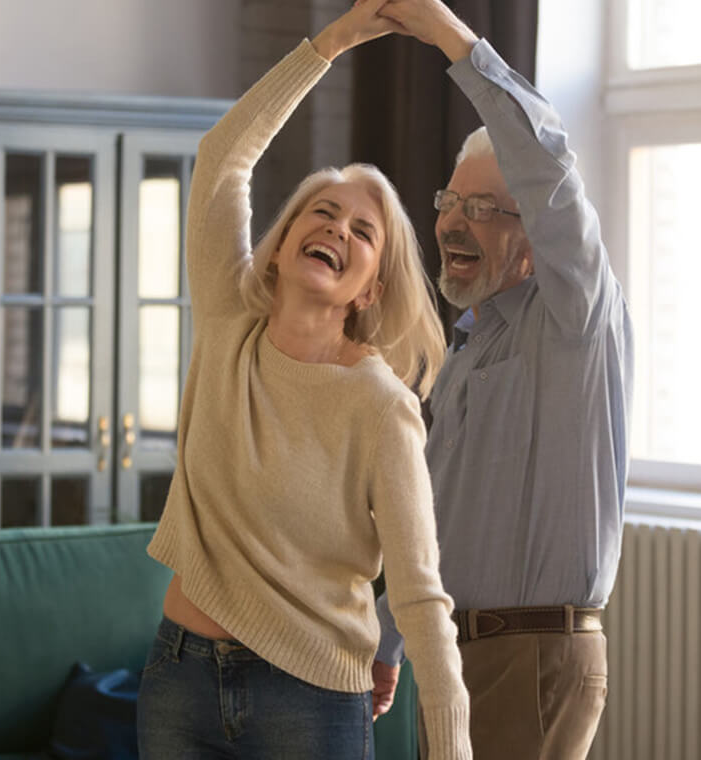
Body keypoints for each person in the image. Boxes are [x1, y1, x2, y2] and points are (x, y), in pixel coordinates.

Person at [136, 2, 472, 759]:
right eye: (322, 214)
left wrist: (451, 746)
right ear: (280, 246)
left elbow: (419, 593)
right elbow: (223, 157)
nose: (337, 231)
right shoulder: (229, 325)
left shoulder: (381, 407)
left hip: (311, 699)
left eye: (362, 233)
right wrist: (336, 40)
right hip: (179, 675)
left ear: (369, 289)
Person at [372, 2, 634, 758]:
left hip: (530, 656)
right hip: (456, 658)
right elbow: (444, 520)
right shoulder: (469, 347)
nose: (454, 223)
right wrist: (390, 635)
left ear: (536, 236)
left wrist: (452, 38)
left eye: (483, 209)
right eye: (450, 203)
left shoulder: (575, 318)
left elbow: (547, 167)